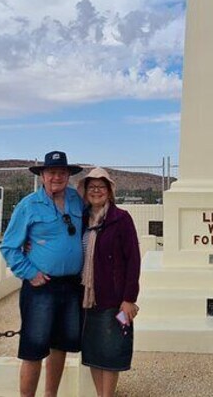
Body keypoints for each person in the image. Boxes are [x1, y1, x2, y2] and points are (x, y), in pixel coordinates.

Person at [0, 151, 85, 397]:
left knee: (60, 346)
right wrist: (29, 272)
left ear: (68, 175)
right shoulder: (28, 205)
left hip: (71, 286)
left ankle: (51, 395)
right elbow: (9, 246)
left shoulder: (77, 200)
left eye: (61, 172)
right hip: (41, 287)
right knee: (34, 348)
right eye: (51, 172)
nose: (56, 177)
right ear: (42, 176)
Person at [77, 167, 141, 397]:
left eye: (101, 187)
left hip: (113, 299)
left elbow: (133, 259)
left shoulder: (121, 219)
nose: (96, 191)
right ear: (85, 191)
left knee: (112, 352)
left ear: (109, 191)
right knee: (94, 352)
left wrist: (128, 299)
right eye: (92, 187)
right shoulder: (81, 219)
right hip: (86, 297)